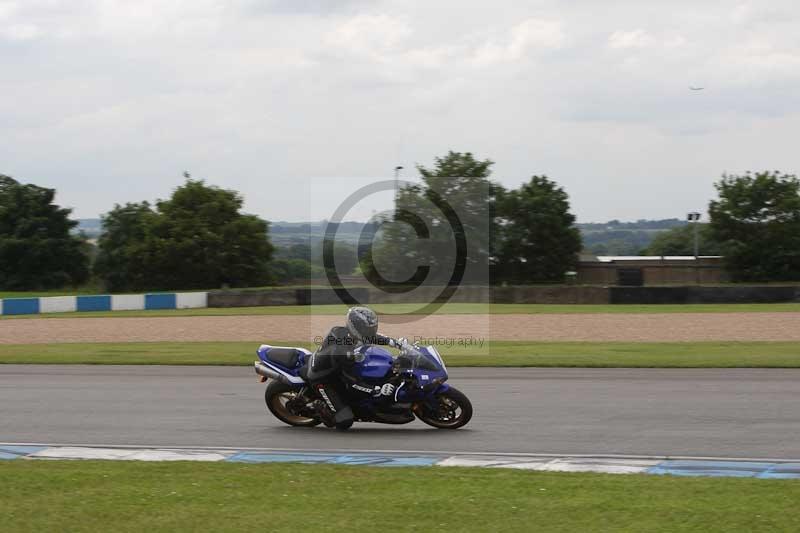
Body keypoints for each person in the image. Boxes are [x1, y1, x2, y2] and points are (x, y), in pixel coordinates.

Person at [304, 306, 400, 428]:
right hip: (322, 379)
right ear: (356, 328)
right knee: (345, 421)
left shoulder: (342, 331)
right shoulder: (344, 353)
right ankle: (320, 409)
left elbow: (370, 336)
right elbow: (352, 382)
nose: (371, 331)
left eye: (372, 328)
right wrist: (375, 390)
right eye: (367, 329)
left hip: (334, 368)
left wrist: (394, 343)